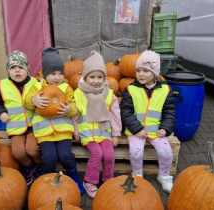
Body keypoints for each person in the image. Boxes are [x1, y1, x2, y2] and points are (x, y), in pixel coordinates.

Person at [23, 47, 85, 195]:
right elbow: (26, 102)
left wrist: (70, 110)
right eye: (53, 74)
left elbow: (74, 105)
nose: (57, 77)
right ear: (45, 74)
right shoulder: (37, 87)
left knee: (65, 156)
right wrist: (34, 99)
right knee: (49, 157)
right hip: (44, 132)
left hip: (63, 130)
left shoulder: (66, 88)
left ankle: (74, 177)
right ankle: (48, 179)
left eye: (60, 74)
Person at [119, 50, 176, 193]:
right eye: (138, 70)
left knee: (167, 152)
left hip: (157, 131)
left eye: (145, 71)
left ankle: (164, 176)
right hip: (136, 131)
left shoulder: (165, 90)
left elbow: (169, 112)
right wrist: (136, 129)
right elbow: (126, 112)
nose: (141, 74)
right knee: (136, 152)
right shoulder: (131, 90)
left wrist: (166, 128)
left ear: (155, 74)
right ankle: (137, 174)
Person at [72, 51, 122, 198]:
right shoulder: (79, 93)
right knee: (97, 153)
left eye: (100, 77)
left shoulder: (108, 93)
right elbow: (75, 114)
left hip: (104, 132)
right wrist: (75, 129)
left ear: (104, 78)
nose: (96, 81)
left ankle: (107, 180)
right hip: (87, 134)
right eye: (92, 77)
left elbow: (115, 114)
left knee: (109, 154)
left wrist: (116, 134)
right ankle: (89, 181)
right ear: (85, 77)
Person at [0, 50, 43, 185]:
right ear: (8, 70)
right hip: (15, 126)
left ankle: (39, 165)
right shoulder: (2, 86)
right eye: (13, 68)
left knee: (33, 149)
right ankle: (29, 166)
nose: (17, 71)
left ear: (28, 70)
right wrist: (0, 113)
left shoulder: (36, 83)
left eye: (21, 67)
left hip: (33, 125)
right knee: (18, 153)